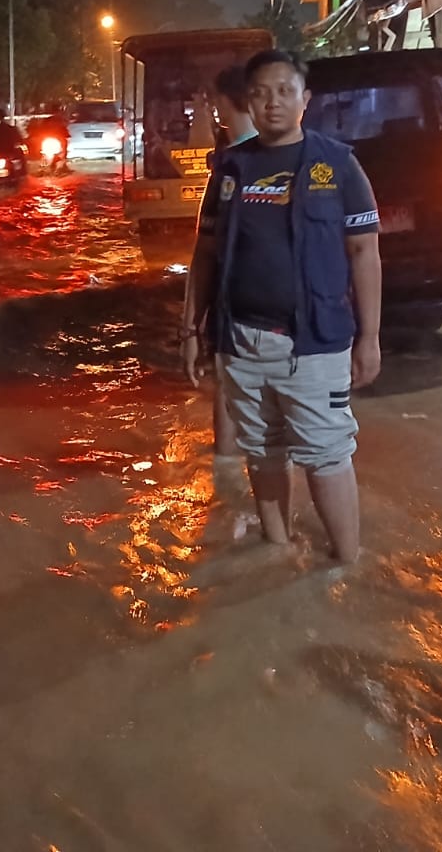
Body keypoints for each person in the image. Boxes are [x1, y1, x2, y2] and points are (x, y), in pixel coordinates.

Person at [181, 50, 383, 563]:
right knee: (263, 451)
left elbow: (364, 252)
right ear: (249, 102)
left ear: (304, 100)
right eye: (262, 93)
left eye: (284, 91)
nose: (273, 102)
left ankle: (346, 566)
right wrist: (191, 330)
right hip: (240, 341)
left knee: (326, 454)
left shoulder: (337, 165)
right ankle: (277, 553)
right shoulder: (229, 168)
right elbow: (204, 255)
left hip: (313, 344)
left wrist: (370, 337)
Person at [195, 64, 259, 459]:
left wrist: (191, 326)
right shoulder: (290, 157)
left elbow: (205, 251)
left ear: (223, 104)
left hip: (236, 310)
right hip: (279, 317)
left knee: (230, 391)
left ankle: (230, 486)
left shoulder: (231, 167)